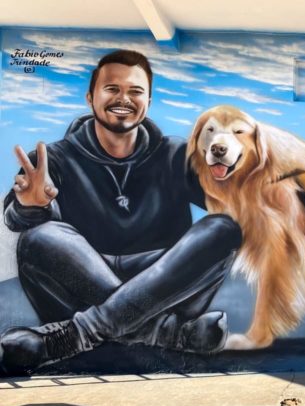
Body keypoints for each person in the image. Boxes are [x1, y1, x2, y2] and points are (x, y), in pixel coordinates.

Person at [0, 49, 241, 375]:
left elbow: (235, 205)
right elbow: (16, 219)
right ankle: (168, 333)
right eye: (112, 89)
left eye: (135, 91)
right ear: (90, 97)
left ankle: (81, 334)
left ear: (149, 101)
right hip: (77, 292)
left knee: (223, 229)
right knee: (40, 237)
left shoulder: (176, 154)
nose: (123, 99)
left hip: (163, 286)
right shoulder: (52, 159)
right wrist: (30, 205)